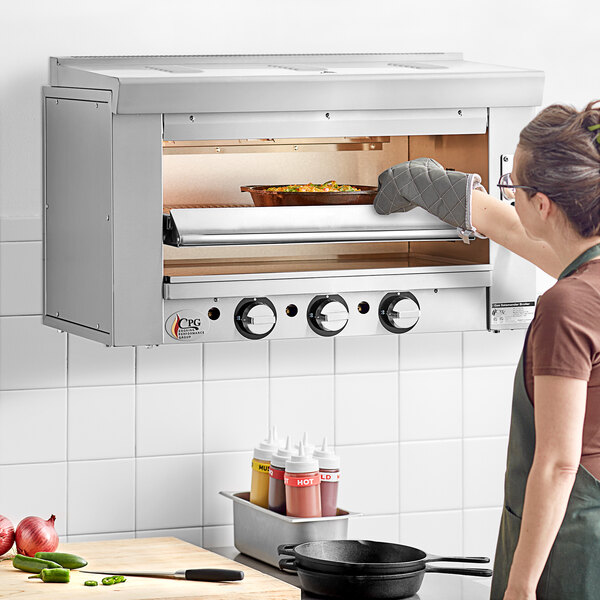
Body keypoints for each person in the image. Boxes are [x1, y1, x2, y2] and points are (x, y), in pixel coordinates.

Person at [374, 101, 600, 600]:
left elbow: (559, 464)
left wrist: (520, 588)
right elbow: (538, 242)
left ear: (543, 204)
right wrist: (454, 195)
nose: (510, 196)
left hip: (574, 554)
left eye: (512, 187)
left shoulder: (569, 306)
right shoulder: (587, 275)